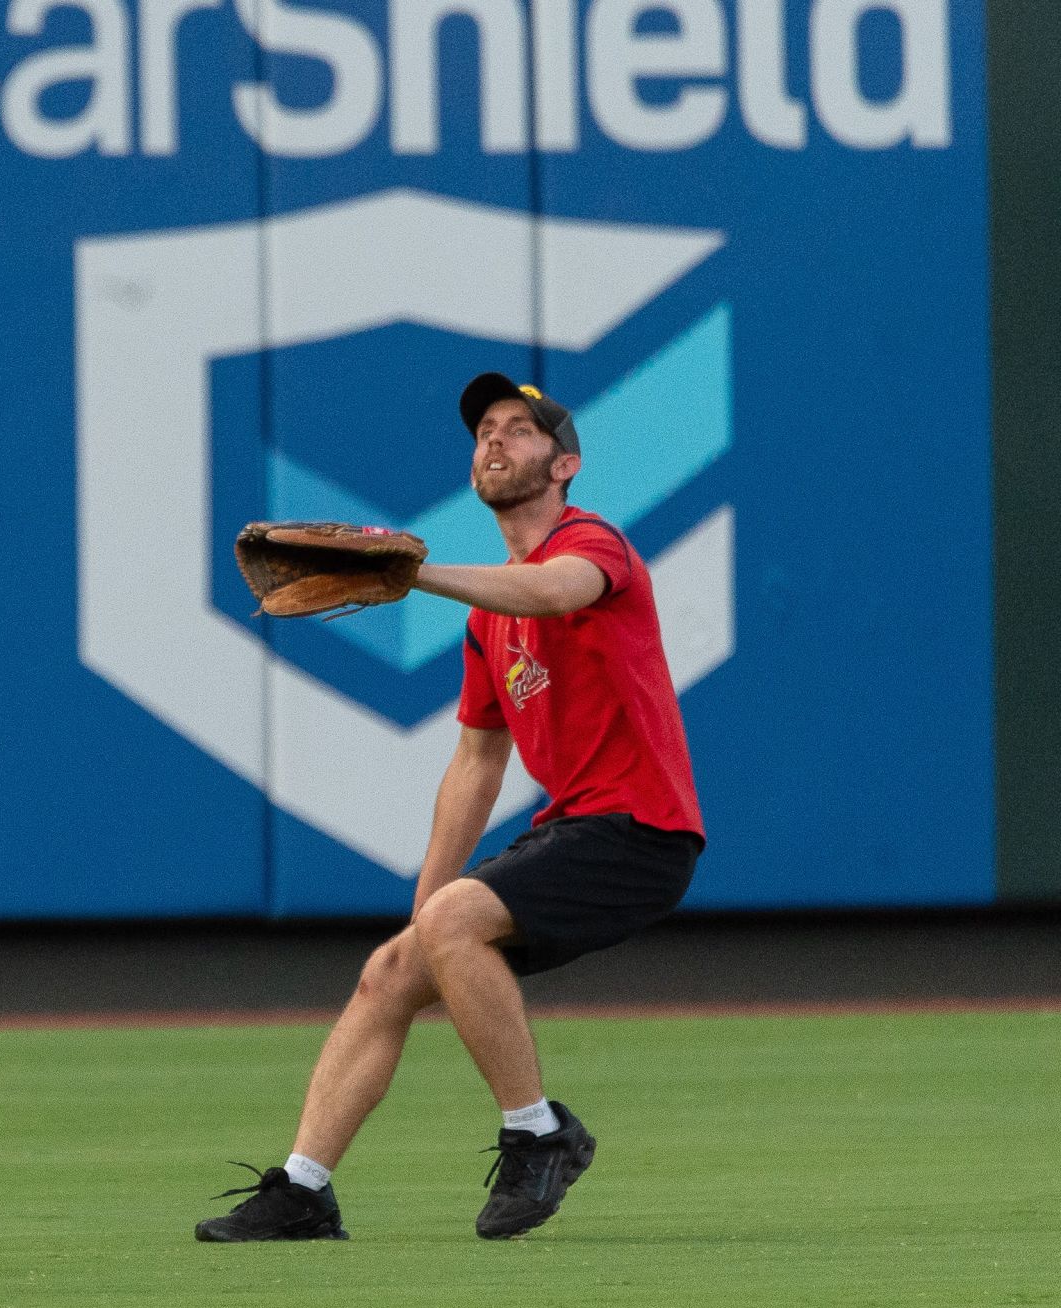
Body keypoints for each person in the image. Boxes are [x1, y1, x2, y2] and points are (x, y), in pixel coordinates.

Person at [197, 374, 705, 1243]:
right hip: (574, 828)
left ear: (565, 465)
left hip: (641, 830)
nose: (495, 439)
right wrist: (424, 912)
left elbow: (555, 591)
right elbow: (475, 765)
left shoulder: (593, 545)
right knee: (391, 971)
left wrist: (416, 575)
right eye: (484, 431)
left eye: (520, 428)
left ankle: (538, 1133)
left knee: (454, 924)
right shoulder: (486, 624)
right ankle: (304, 1191)